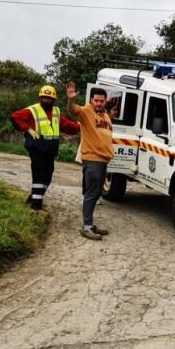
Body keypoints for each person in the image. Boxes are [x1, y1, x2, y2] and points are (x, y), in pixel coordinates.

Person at [10, 85, 80, 212]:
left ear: (54, 99)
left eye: (49, 98)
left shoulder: (56, 112)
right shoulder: (32, 110)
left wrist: (81, 127)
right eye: (44, 97)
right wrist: (27, 128)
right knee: (39, 175)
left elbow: (68, 126)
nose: (46, 100)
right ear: (40, 97)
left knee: (48, 176)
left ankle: (35, 196)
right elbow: (15, 117)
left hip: (49, 150)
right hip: (37, 147)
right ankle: (36, 206)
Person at [66, 82, 114, 240]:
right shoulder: (86, 111)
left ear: (105, 101)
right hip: (92, 159)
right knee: (91, 194)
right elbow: (73, 111)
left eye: (102, 101)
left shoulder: (106, 116)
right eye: (96, 100)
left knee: (96, 193)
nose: (99, 103)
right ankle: (86, 227)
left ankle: (90, 224)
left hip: (103, 160)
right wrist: (71, 100)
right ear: (91, 100)